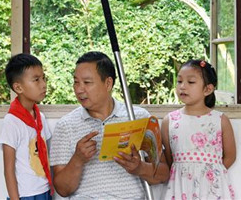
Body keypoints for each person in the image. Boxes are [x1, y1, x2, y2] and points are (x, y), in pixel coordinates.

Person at [49, 51, 169, 198]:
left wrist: (139, 168)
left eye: (87, 82)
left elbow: (164, 174)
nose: (79, 89)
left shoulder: (139, 117)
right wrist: (78, 159)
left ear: (108, 83)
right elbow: (62, 189)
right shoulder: (65, 125)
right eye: (76, 82)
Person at [161, 59, 236, 200]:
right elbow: (169, 159)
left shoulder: (220, 120)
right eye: (179, 81)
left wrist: (210, 172)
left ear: (208, 89)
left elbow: (230, 156)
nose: (182, 87)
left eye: (191, 82)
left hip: (212, 188)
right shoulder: (169, 121)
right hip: (180, 186)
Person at [0, 54, 54, 200]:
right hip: (25, 195)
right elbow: (8, 170)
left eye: (43, 78)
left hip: (45, 190)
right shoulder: (12, 122)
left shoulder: (40, 117)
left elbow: (46, 154)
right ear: (18, 87)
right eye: (36, 80)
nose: (43, 84)